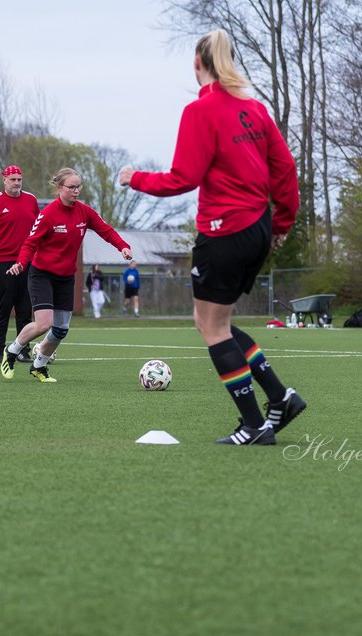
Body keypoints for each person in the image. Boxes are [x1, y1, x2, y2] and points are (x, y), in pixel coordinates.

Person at [120, 29, 304, 445]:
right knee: (214, 321)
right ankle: (280, 396)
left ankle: (255, 425)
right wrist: (280, 225)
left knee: (212, 327)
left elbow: (182, 178)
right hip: (257, 227)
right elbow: (286, 169)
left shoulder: (200, 112)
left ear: (196, 64)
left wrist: (135, 178)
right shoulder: (254, 109)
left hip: (224, 230)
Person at [0, 168, 132, 383]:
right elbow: (30, 243)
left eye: (78, 186)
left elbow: (106, 230)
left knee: (61, 330)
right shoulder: (48, 214)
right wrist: (21, 264)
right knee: (44, 324)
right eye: (71, 187)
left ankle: (39, 366)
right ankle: (12, 351)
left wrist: (123, 247)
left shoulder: (84, 212)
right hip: (42, 275)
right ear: (60, 188)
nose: (76, 191)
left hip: (65, 278)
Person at [0, 164, 38, 363]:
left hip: (27, 262)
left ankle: (22, 349)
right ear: (4, 180)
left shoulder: (31, 200)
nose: (17, 183)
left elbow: (38, 232)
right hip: (3, 262)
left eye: (19, 179)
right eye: (13, 179)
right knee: (3, 308)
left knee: (25, 308)